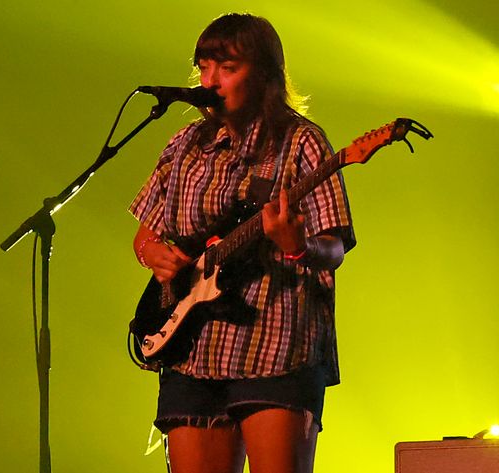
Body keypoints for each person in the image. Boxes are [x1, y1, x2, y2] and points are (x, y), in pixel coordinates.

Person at [129, 13, 354, 473]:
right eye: (204, 66)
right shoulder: (185, 144)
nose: (210, 81)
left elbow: (336, 245)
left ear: (265, 74)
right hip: (192, 350)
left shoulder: (301, 142)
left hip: (276, 348)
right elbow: (145, 234)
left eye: (227, 68)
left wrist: (298, 246)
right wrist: (154, 255)